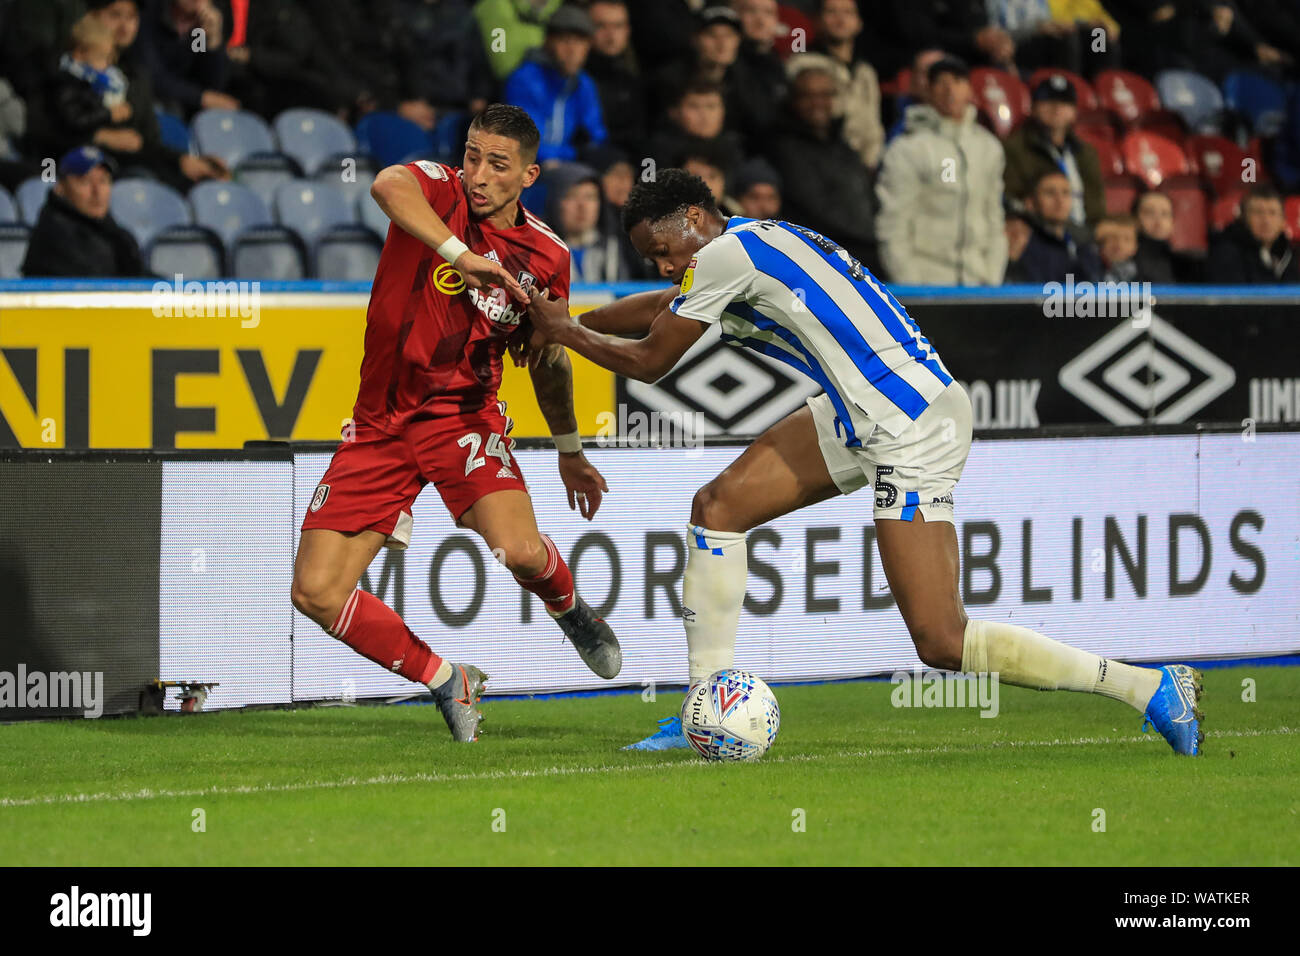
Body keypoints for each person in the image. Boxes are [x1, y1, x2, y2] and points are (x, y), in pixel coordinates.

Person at [523, 167, 1204, 757]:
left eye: (664, 250)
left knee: (940, 641)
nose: (665, 266)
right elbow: (663, 306)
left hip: (910, 424)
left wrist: (562, 330)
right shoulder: (754, 241)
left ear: (695, 218)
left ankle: (1146, 687)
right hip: (863, 411)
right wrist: (575, 314)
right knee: (718, 508)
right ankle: (704, 705)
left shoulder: (728, 256)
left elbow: (650, 361)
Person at [291, 105, 622, 744]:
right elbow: (385, 185)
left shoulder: (548, 256)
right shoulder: (438, 191)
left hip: (461, 418)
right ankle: (447, 678)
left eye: (497, 164)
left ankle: (569, 608)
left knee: (522, 552)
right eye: (472, 155)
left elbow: (548, 357)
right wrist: (457, 253)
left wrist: (570, 449)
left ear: (528, 175)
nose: (478, 174)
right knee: (316, 593)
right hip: (379, 424)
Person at [875, 56, 1007, 285]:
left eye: (957, 81)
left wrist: (992, 277)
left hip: (979, 283)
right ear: (928, 91)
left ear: (969, 90)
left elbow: (994, 218)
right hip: (927, 282)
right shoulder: (908, 148)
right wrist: (912, 288)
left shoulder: (988, 147)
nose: (950, 89)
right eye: (940, 82)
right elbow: (892, 226)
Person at [502, 4, 607, 164]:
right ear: (547, 42)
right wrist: (575, 154)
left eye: (579, 42)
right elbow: (528, 145)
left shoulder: (583, 82)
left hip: (568, 163)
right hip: (531, 167)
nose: (572, 50)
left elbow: (596, 135)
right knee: (584, 188)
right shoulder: (526, 79)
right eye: (564, 41)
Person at [21, 145, 149, 277]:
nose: (97, 192)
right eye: (85, 182)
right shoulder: (53, 233)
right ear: (60, 188)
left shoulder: (116, 234)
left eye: (103, 181)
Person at [1002, 75, 1105, 235]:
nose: (1056, 108)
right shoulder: (1014, 147)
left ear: (1074, 112)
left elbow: (1096, 205)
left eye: (1064, 103)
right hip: (1039, 231)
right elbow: (1011, 197)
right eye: (1048, 101)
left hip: (1084, 233)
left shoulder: (1085, 152)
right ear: (1034, 108)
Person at [1004, 169, 1102, 284]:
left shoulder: (1083, 243)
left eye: (1065, 193)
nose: (1060, 200)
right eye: (1050, 193)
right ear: (1030, 202)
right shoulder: (1020, 241)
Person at [1206, 184, 1299, 284]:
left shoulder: (1288, 255)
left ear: (1283, 222)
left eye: (1272, 213)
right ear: (1243, 219)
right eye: (1258, 212)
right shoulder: (1226, 253)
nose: (1266, 221)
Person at [1133, 190, 1199, 283]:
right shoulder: (1127, 261)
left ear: (1172, 223)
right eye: (1149, 213)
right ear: (1135, 219)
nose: (1158, 220)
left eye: (1165, 214)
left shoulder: (1186, 265)